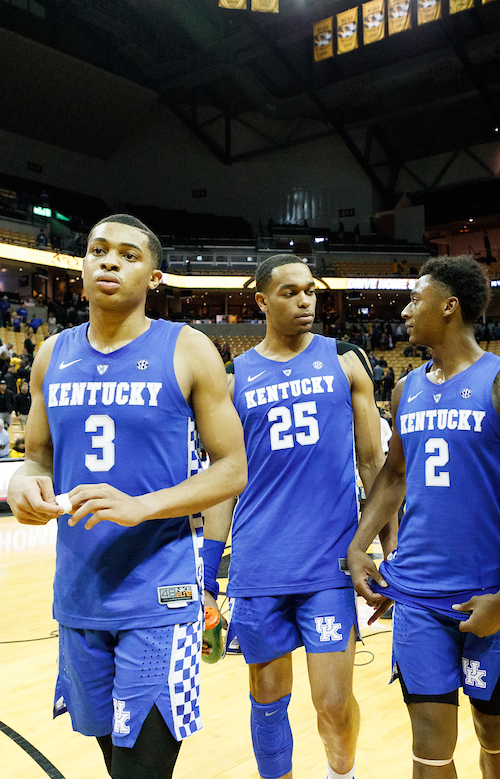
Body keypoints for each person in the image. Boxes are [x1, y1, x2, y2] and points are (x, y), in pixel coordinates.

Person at [6, 214, 247, 779]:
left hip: (160, 591)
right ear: (83, 266)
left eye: (128, 254)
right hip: (79, 591)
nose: (109, 261)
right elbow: (36, 455)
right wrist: (23, 485)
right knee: (117, 765)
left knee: (142, 771)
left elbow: (233, 468)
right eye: (97, 250)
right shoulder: (51, 355)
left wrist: (145, 505)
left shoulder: (188, 349)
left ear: (154, 277)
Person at [206, 255, 389, 779]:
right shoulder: (233, 378)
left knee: (332, 704)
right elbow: (224, 481)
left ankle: (342, 773)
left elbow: (373, 464)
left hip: (329, 566)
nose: (305, 300)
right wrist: (208, 572)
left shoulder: (347, 361)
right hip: (259, 565)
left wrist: (388, 550)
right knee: (267, 705)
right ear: (262, 301)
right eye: (290, 292)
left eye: (310, 290)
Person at [347, 255, 500, 779]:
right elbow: (394, 476)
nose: (404, 311)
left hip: (488, 594)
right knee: (430, 747)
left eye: (414, 300)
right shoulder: (406, 390)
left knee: (495, 735)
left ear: (450, 307)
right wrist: (359, 545)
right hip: (419, 594)